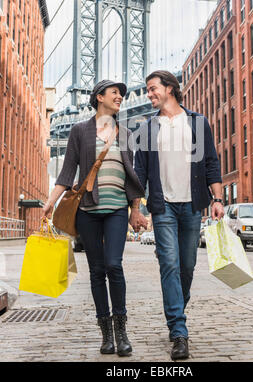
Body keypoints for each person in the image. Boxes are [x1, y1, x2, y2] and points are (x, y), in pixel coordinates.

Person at [42, 80, 146, 357]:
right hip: (87, 211)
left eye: (122, 95)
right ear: (99, 97)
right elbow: (67, 173)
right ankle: (107, 334)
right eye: (115, 93)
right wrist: (51, 202)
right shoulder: (79, 131)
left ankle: (122, 329)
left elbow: (133, 175)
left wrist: (135, 209)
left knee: (114, 265)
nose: (120, 97)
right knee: (97, 270)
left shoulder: (125, 133)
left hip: (116, 210)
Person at [132, 70, 224, 360]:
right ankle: (179, 331)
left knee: (186, 266)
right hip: (164, 206)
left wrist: (218, 198)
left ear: (170, 88)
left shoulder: (197, 122)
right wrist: (136, 208)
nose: (149, 94)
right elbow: (140, 172)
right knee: (169, 265)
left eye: (152, 89)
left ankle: (175, 311)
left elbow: (210, 161)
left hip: (193, 203)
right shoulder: (148, 128)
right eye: (148, 90)